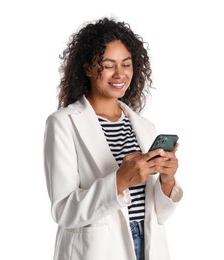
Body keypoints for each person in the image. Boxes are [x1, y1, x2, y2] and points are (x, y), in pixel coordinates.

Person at [43, 17, 183, 260]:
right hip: (98, 250)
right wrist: (118, 181)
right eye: (108, 65)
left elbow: (159, 213)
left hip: (149, 245)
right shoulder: (63, 123)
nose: (120, 73)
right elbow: (63, 210)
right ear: (87, 68)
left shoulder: (144, 127)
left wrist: (167, 180)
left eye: (126, 64)